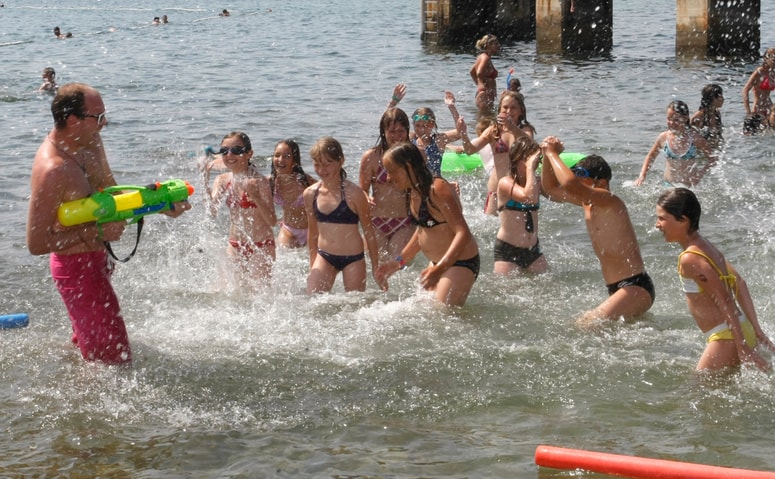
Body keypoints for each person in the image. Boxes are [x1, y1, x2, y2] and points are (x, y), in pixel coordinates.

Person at [26, 83, 191, 365]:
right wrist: (97, 230)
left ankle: (75, 384)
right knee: (114, 360)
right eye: (99, 117)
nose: (105, 123)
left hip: (98, 257)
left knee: (93, 350)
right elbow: (36, 243)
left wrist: (160, 204)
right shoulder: (53, 170)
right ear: (72, 120)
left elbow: (111, 192)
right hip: (75, 269)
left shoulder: (89, 142)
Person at [655, 188, 775, 373]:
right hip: (740, 328)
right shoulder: (705, 246)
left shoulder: (690, 258)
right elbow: (739, 283)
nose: (657, 225)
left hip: (727, 336)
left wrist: (741, 346)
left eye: (662, 218)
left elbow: (725, 298)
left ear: (683, 220)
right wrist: (756, 331)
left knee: (696, 394)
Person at [541, 136, 654, 327]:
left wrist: (553, 153)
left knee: (585, 325)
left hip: (635, 286)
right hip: (617, 289)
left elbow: (569, 184)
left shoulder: (610, 200)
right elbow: (551, 189)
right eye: (574, 172)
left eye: (581, 173)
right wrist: (546, 155)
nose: (575, 177)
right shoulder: (587, 202)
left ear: (600, 183)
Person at [377, 142, 479, 306]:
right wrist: (398, 262)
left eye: (391, 171)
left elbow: (463, 234)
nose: (388, 178)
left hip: (460, 263)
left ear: (408, 166)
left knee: (440, 315)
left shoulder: (437, 188)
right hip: (437, 264)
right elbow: (423, 232)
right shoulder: (413, 191)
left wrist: (439, 270)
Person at [304, 136, 384, 294]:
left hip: (352, 258)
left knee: (354, 305)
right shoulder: (310, 194)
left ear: (341, 161)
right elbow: (312, 232)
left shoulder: (354, 194)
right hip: (324, 256)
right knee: (311, 299)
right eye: (317, 164)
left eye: (327, 164)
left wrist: (376, 268)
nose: (322, 170)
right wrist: (312, 265)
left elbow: (369, 232)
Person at [203, 131, 276, 285]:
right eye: (224, 151)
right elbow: (211, 213)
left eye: (236, 150)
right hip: (235, 245)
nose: (229, 154)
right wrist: (205, 179)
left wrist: (255, 196)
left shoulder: (260, 181)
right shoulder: (222, 180)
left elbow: (272, 221)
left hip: (261, 245)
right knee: (231, 293)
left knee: (259, 296)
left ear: (249, 154)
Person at [452, 90, 535, 215]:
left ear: (521, 111)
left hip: (518, 189)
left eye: (513, 108)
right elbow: (470, 150)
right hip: (495, 189)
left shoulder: (525, 130)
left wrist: (511, 127)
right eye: (505, 107)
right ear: (499, 110)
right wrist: (463, 133)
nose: (508, 111)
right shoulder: (494, 130)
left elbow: (530, 145)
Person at [359, 106, 415, 263]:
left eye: (401, 131)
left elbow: (425, 186)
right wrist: (366, 197)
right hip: (376, 222)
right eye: (392, 131)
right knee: (374, 267)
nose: (397, 136)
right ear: (383, 132)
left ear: (407, 131)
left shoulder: (415, 156)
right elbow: (362, 190)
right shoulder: (371, 157)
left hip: (405, 222)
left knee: (397, 267)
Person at [494, 136, 547, 275]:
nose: (534, 164)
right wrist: (530, 168)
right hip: (508, 251)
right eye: (530, 160)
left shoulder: (536, 182)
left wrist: (550, 156)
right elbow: (528, 198)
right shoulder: (505, 183)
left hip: (533, 250)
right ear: (518, 159)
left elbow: (559, 194)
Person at [634, 100, 716, 187]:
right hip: (667, 185)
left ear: (685, 118)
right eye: (669, 119)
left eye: (676, 119)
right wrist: (642, 176)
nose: (672, 123)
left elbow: (713, 157)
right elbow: (650, 156)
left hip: (690, 187)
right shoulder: (663, 137)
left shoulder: (695, 138)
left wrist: (700, 174)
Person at [270, 139, 316, 248]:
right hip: (288, 230)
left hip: (311, 229)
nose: (281, 160)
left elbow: (328, 192)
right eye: (277, 155)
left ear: (294, 161)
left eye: (287, 156)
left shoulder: (305, 181)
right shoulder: (271, 183)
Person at [411, 106, 460, 177]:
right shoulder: (411, 140)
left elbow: (460, 132)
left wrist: (452, 107)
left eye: (425, 126)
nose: (421, 129)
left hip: (435, 183)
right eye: (417, 126)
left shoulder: (438, 140)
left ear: (432, 125)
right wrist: (394, 102)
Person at [742, 48, 775, 127]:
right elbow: (745, 90)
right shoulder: (759, 72)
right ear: (766, 59)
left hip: (770, 108)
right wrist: (748, 112)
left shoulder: (773, 73)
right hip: (758, 108)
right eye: (773, 59)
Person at [470, 34, 500, 116]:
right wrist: (480, 84)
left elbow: (472, 72)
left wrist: (479, 84)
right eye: (496, 44)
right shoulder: (485, 57)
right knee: (485, 119)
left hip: (485, 94)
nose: (498, 45)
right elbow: (479, 72)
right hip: (485, 95)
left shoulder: (482, 56)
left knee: (485, 118)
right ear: (488, 45)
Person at [691, 84, 724, 150]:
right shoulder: (699, 116)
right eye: (720, 96)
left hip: (715, 149)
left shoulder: (716, 113)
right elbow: (689, 135)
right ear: (712, 98)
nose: (723, 99)